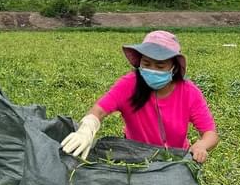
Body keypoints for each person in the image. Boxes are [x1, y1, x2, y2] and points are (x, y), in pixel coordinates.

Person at [61, 30, 218, 163]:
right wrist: (87, 128)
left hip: (174, 160)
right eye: (147, 64)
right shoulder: (129, 84)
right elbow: (99, 110)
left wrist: (202, 145)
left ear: (174, 67)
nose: (152, 69)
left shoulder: (189, 92)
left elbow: (210, 132)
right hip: (135, 157)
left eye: (160, 65)